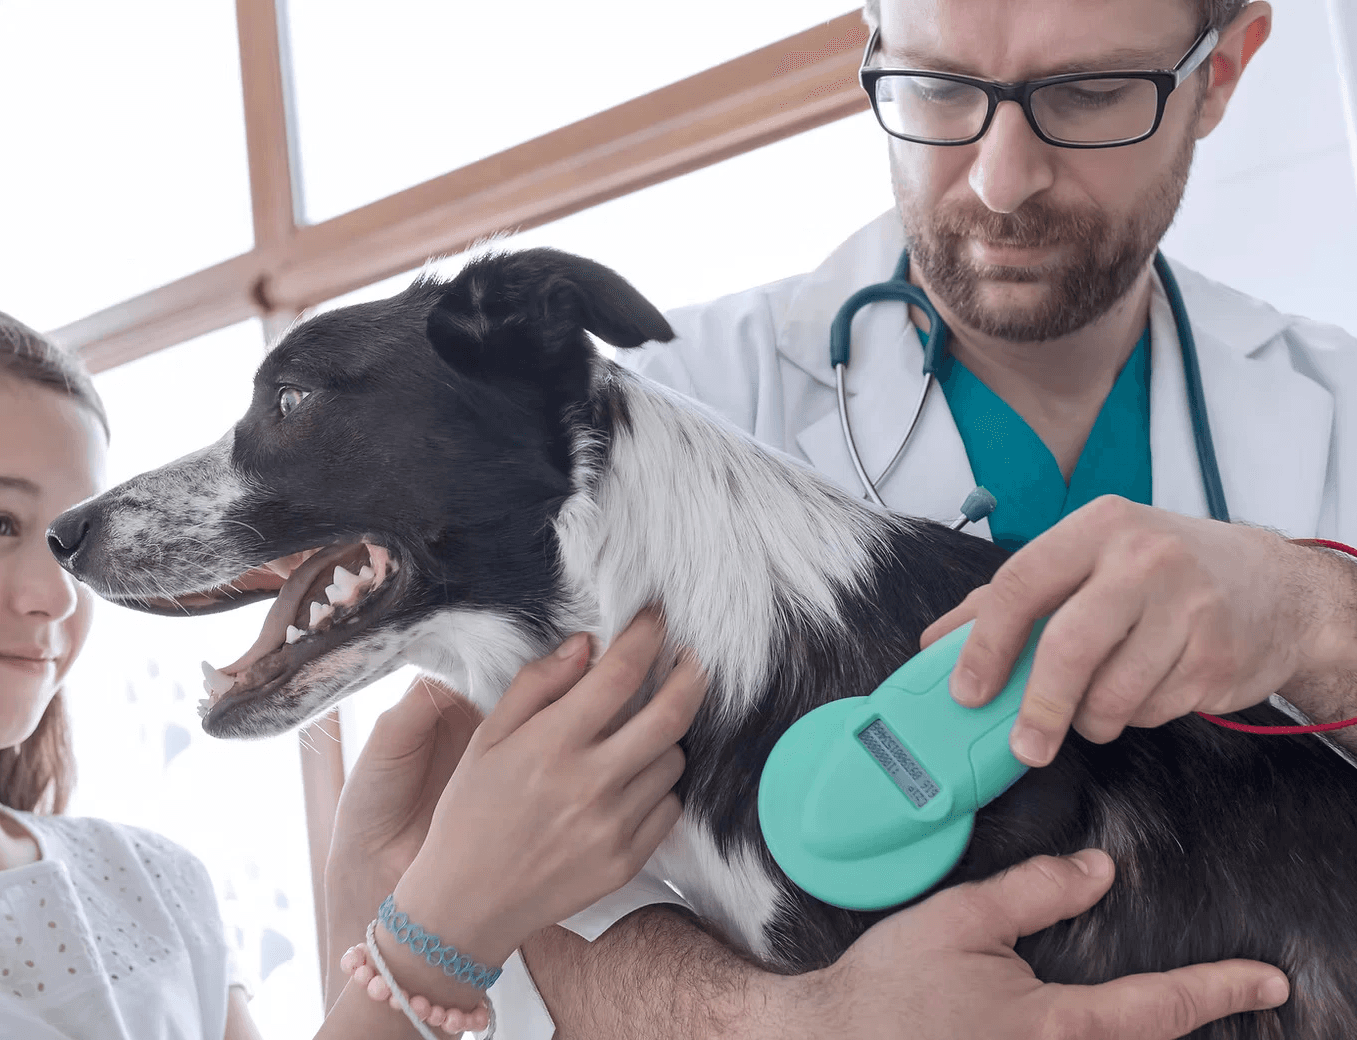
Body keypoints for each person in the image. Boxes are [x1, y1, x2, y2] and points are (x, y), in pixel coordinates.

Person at [404, 0, 1354, 1035]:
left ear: (1218, 75)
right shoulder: (651, 428)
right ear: (874, 49)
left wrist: (1315, 615)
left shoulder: (1336, 406)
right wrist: (790, 1018)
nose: (1001, 180)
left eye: (1086, 92)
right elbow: (511, 892)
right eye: (938, 87)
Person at [0, 311, 708, 1039]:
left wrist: (368, 881)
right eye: (0, 525)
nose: (57, 597)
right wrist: (443, 925)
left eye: (58, 547)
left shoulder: (152, 882)